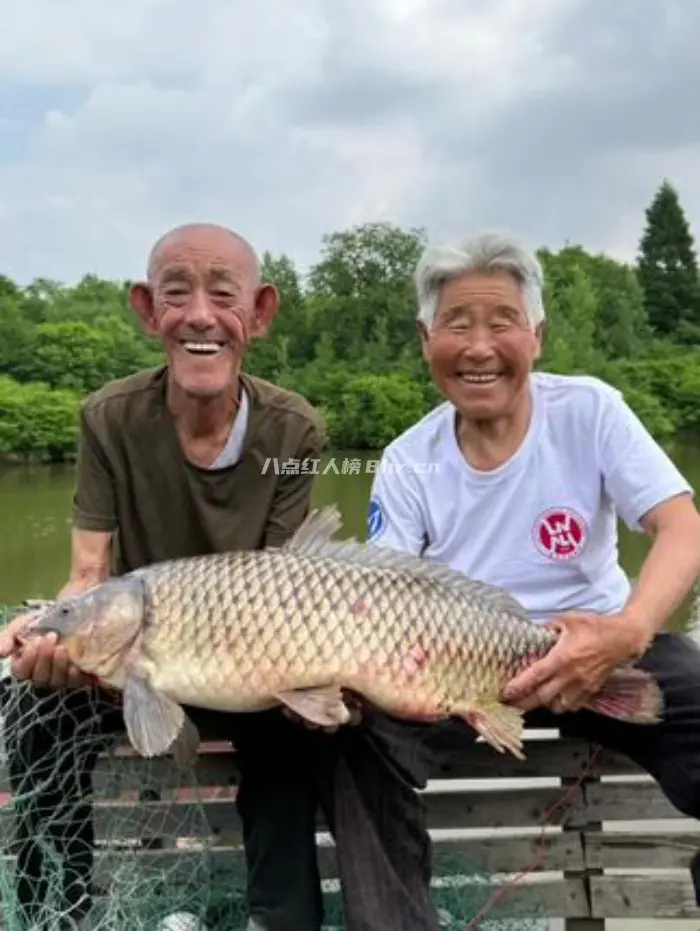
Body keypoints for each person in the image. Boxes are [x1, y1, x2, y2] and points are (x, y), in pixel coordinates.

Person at [360, 229, 700, 923]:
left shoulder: (589, 410)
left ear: (536, 336)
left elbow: (682, 527)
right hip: (457, 665)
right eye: (457, 324)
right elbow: (377, 592)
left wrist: (629, 630)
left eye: (502, 322)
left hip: (597, 647)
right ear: (426, 340)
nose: (479, 347)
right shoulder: (408, 459)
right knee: (356, 740)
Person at [0, 222, 331, 931]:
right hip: (135, 651)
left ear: (261, 313)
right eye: (177, 294)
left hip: (252, 660)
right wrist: (51, 633)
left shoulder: (291, 431)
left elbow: (290, 585)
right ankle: (58, 912)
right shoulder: (109, 419)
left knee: (294, 736)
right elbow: (87, 573)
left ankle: (282, 919)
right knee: (36, 710)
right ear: (149, 310)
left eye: (224, 295)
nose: (201, 316)